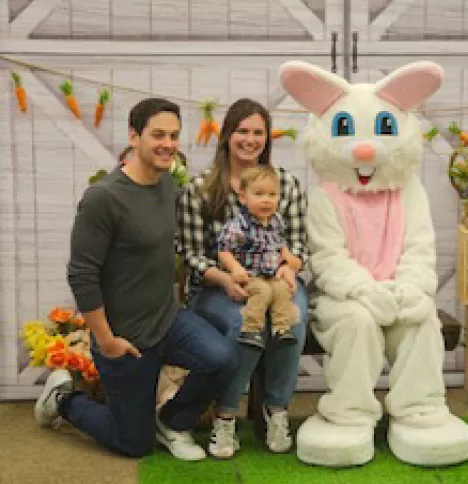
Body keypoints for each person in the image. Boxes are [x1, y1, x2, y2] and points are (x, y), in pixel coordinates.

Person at [34, 97, 239, 461]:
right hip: (125, 338)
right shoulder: (103, 198)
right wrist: (106, 340)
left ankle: (172, 422)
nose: (168, 144)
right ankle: (63, 399)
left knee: (223, 359)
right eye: (158, 135)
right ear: (133, 136)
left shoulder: (168, 186)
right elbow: (81, 274)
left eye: (174, 135)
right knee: (132, 443)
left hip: (166, 320)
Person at [177, 98, 308, 459]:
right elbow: (191, 255)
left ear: (267, 138)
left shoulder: (286, 184)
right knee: (243, 323)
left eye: (258, 132)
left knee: (292, 319)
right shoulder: (201, 189)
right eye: (242, 131)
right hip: (219, 286)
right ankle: (225, 415)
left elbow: (299, 242)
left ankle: (276, 410)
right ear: (227, 136)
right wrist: (225, 279)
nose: (250, 140)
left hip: (277, 280)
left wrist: (290, 267)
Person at [217, 165, 298, 348]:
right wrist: (235, 268)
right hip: (249, 275)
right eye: (259, 194)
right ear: (243, 197)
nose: (266, 200)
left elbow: (280, 244)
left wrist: (289, 261)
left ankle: (281, 329)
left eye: (272, 195)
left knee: (282, 289)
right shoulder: (239, 224)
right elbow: (223, 250)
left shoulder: (276, 221)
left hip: (271, 273)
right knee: (262, 291)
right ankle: (251, 329)